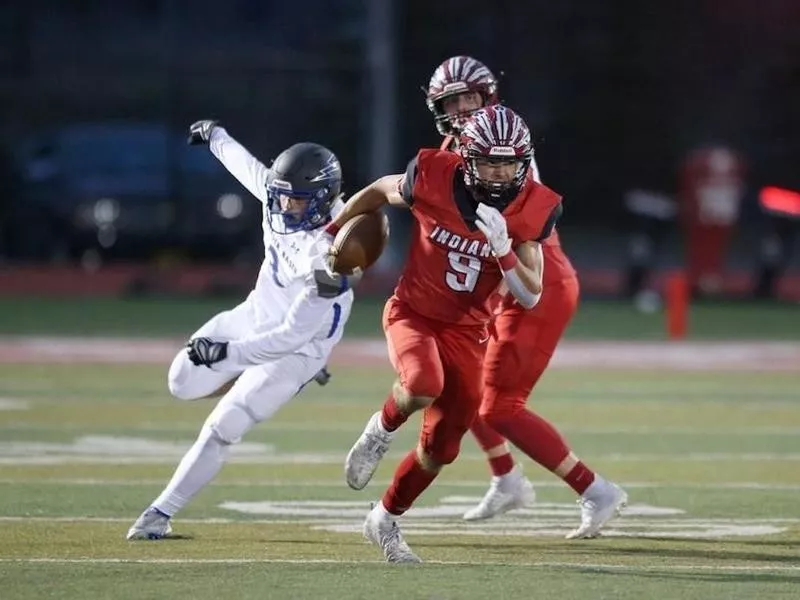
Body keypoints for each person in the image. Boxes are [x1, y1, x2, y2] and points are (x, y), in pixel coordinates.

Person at [328, 105, 560, 562]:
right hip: (413, 312)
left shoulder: (533, 206)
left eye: (509, 163)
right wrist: (332, 233)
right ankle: (380, 429)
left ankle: (385, 518)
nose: (499, 174)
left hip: (470, 333)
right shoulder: (434, 175)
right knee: (421, 383)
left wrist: (503, 251)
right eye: (490, 162)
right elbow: (377, 190)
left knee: (442, 448)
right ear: (467, 158)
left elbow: (531, 295)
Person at [126, 120, 357, 540]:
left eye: (297, 202)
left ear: (323, 200)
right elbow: (247, 168)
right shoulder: (280, 196)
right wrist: (216, 136)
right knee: (180, 380)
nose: (285, 209)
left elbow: (288, 338)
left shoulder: (328, 254)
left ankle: (159, 514)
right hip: (254, 313)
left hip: (298, 350)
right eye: (282, 198)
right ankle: (240, 377)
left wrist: (229, 356)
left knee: (222, 427)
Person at [425, 56, 627, 535]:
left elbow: (516, 227)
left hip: (535, 281)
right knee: (457, 379)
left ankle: (596, 489)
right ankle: (506, 477)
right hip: (496, 281)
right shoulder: (458, 144)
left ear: (488, 97)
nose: (459, 109)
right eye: (450, 101)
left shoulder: (500, 144)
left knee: (499, 406)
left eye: (468, 98)